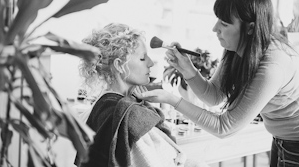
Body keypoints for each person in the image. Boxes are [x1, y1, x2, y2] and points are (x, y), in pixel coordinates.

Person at [136, 0, 299, 167]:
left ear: (250, 28)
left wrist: (171, 99)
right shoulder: (238, 49)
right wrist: (187, 68)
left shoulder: (272, 67)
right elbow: (214, 96)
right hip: (282, 138)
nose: (215, 29)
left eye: (224, 23)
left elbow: (225, 127)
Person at [74, 23, 208, 167]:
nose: (150, 63)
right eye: (142, 59)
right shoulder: (127, 117)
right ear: (119, 65)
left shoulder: (100, 108)